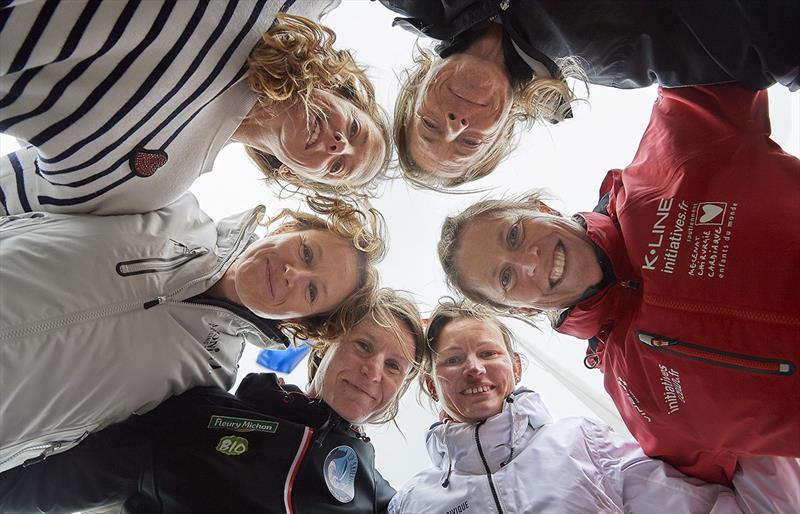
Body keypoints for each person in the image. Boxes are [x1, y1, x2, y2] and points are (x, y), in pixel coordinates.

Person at [436, 83, 800, 486]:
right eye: (505, 277)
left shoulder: (669, 159)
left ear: (543, 209)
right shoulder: (639, 403)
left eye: (515, 234)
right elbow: (735, 488)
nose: (529, 260)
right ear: (522, 309)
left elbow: (713, 48)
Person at [0, 191, 386, 473]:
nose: (293, 274)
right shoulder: (171, 205)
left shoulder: (209, 379)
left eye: (312, 290)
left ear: (301, 321)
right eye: (306, 253)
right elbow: (38, 186)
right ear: (289, 228)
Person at [0, 288, 426, 513]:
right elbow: (53, 485)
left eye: (394, 367)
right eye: (363, 346)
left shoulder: (388, 501)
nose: (373, 371)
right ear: (324, 348)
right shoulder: (202, 411)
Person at [389, 300, 800, 513]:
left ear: (515, 366)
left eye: (488, 353)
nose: (474, 369)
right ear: (430, 383)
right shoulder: (412, 502)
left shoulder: (579, 443)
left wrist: (754, 407)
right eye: (453, 359)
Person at [0, 1, 391, 215]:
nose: (341, 144)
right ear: (336, 91)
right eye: (355, 130)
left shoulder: (157, 184)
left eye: (338, 167)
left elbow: (16, 196)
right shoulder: (296, 8)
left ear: (292, 173)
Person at [377, 0, 799, 187]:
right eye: (469, 142)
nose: (454, 125)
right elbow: (765, 46)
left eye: (429, 124)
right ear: (505, 127)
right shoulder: (619, 61)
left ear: (416, 86)